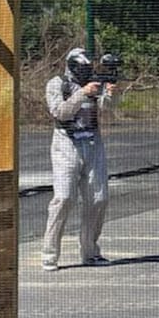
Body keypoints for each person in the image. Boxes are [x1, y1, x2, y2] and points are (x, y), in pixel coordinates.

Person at [41, 47, 116, 271]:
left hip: (93, 143)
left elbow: (106, 109)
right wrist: (83, 92)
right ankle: (49, 254)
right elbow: (60, 112)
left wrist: (109, 93)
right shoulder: (57, 84)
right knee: (64, 198)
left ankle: (90, 250)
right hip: (66, 143)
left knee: (98, 198)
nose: (86, 72)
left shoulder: (94, 83)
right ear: (73, 66)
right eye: (82, 68)